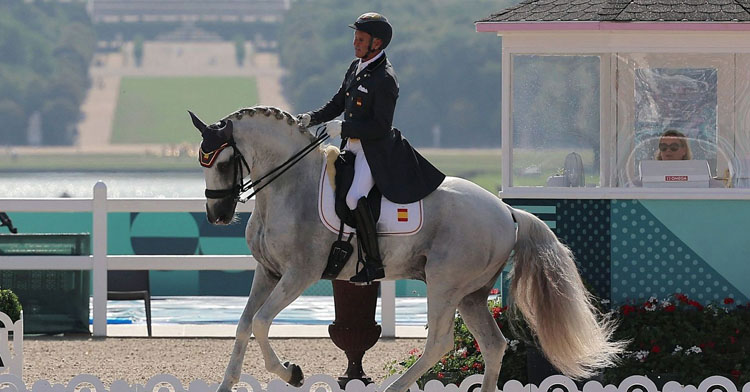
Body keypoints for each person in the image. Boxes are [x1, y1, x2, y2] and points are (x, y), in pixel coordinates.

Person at [297, 12, 445, 283]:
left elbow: (380, 126)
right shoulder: (356, 67)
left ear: (376, 43)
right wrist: (312, 118)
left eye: (360, 39)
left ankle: (374, 263)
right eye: (355, 37)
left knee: (354, 198)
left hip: (374, 152)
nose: (355, 42)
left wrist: (344, 129)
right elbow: (337, 102)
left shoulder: (385, 79)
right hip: (350, 147)